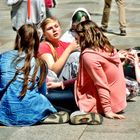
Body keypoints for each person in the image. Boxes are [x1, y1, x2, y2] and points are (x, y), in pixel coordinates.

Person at [0, 24, 69, 126]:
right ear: (37, 42)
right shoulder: (40, 64)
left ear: (18, 39)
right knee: (58, 98)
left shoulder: (3, 57)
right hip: (31, 110)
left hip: (3, 112)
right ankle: (63, 112)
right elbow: (43, 93)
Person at [70, 20, 127, 125]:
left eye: (76, 35)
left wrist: (107, 111)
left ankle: (81, 113)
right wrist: (60, 84)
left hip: (101, 102)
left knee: (50, 96)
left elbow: (101, 84)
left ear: (82, 36)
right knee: (58, 90)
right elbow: (87, 79)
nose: (75, 38)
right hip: (118, 101)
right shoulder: (107, 47)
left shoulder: (89, 56)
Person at [38, 17, 80, 81]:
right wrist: (69, 50)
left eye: (56, 26)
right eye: (50, 28)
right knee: (75, 56)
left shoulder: (64, 44)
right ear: (44, 33)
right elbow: (52, 72)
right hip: (52, 83)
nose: (54, 30)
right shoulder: (43, 46)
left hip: (65, 80)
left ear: (60, 28)